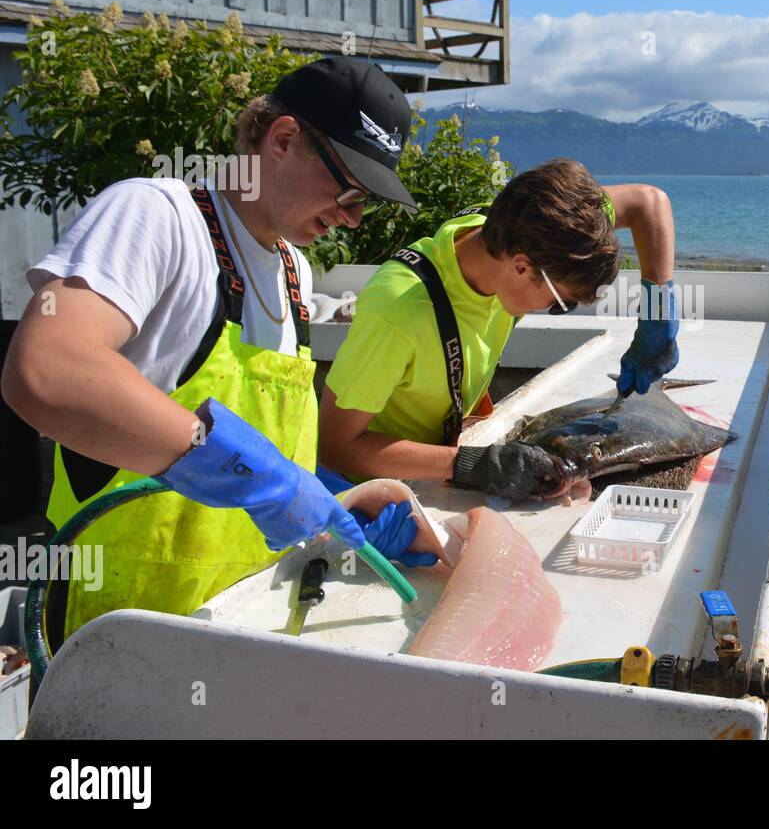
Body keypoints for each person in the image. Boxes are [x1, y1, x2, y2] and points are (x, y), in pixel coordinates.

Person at [1, 56, 421, 639]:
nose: (351, 220)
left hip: (246, 623)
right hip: (119, 628)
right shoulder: (156, 215)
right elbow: (48, 370)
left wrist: (330, 506)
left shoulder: (295, 272)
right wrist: (255, 476)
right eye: (349, 191)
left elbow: (271, 458)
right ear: (283, 139)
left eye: (366, 204)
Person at [317, 159, 680, 501]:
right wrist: (474, 464)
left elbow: (649, 203)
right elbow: (335, 447)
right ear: (521, 267)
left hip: (453, 454)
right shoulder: (399, 313)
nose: (552, 311)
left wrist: (658, 313)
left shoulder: (517, 226)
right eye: (560, 302)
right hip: (378, 494)